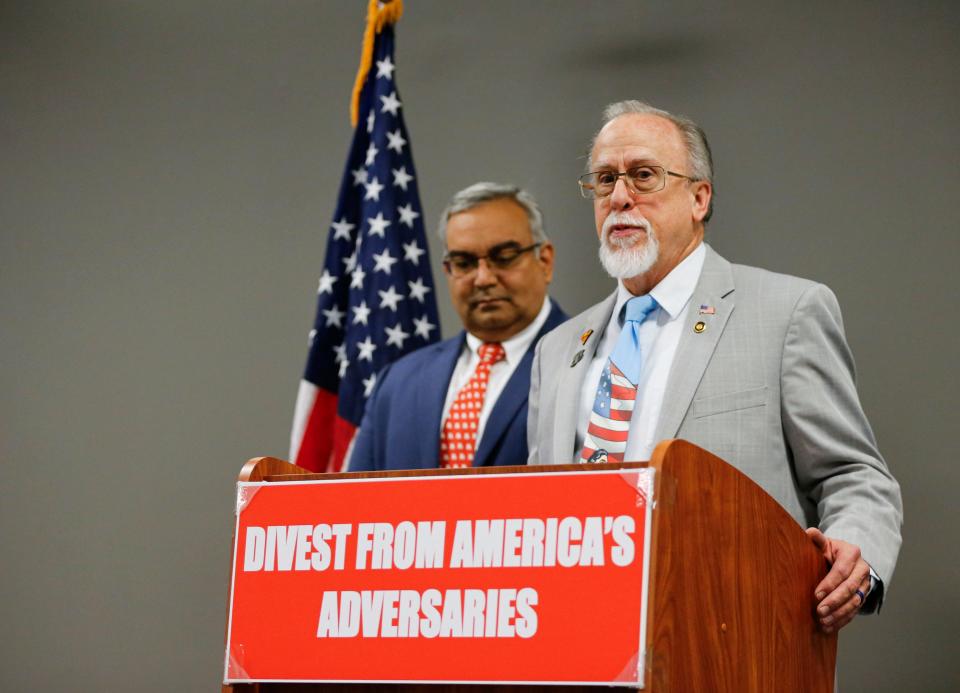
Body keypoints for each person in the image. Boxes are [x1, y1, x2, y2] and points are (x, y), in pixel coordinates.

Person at [526, 100, 902, 634]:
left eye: (644, 176)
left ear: (699, 197)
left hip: (733, 639)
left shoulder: (786, 312)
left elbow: (854, 474)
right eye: (604, 180)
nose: (619, 198)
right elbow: (538, 507)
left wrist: (855, 552)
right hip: (580, 635)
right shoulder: (559, 347)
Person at [350, 182, 567, 471]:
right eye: (464, 262)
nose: (483, 278)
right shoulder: (398, 382)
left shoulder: (587, 361)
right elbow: (357, 504)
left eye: (504, 257)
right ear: (448, 271)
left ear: (545, 261)